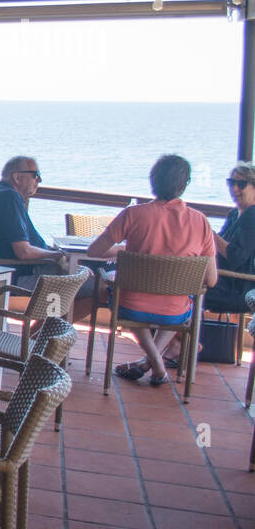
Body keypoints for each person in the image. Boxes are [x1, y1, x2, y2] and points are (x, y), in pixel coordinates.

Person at [87, 154, 218, 387]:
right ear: (185, 184)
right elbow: (211, 279)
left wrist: (125, 250)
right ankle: (153, 363)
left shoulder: (133, 214)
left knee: (125, 301)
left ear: (153, 180)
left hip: (131, 307)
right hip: (175, 311)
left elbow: (94, 250)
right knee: (183, 301)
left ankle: (154, 363)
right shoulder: (201, 222)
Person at [0, 155, 68, 284]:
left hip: (2, 272)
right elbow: (23, 252)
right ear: (17, 177)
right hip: (19, 275)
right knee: (94, 284)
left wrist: (52, 253)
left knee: (83, 275)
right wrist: (55, 255)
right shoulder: (9, 198)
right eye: (35, 175)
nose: (39, 180)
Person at [206, 161, 255, 312]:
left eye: (241, 184)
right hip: (221, 277)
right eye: (231, 182)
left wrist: (209, 234)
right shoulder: (234, 214)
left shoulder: (252, 216)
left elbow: (236, 257)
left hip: (237, 286)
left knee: (182, 289)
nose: (234, 188)